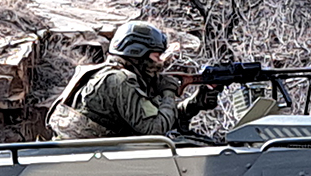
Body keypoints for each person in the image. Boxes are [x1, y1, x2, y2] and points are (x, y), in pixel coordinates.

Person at [47, 20, 219, 140]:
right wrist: (169, 92)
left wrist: (193, 104)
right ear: (138, 53)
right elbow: (154, 129)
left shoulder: (112, 75)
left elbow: (154, 117)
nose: (160, 62)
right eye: (157, 55)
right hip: (93, 161)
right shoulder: (120, 80)